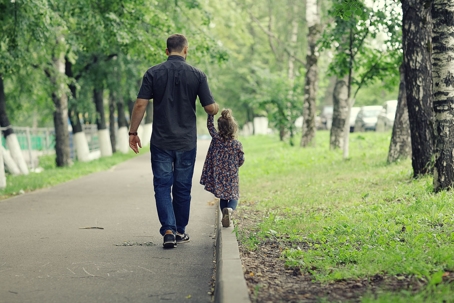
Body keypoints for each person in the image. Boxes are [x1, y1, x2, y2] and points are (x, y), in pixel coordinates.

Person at [128, 34, 219, 249]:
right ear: (186, 50)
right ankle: (179, 230)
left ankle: (168, 230)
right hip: (186, 142)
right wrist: (215, 108)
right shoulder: (197, 75)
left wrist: (133, 132)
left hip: (160, 141)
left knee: (161, 185)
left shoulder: (152, 73)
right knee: (182, 186)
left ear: (167, 51)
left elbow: (141, 104)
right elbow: (209, 107)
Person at [200, 109, 245, 227]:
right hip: (232, 175)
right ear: (233, 128)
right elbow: (241, 160)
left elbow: (210, 125)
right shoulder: (237, 144)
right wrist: (236, 165)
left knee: (223, 197)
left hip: (219, 174)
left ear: (219, 128)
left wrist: (211, 111)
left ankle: (225, 214)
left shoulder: (216, 139)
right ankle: (229, 210)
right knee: (234, 195)